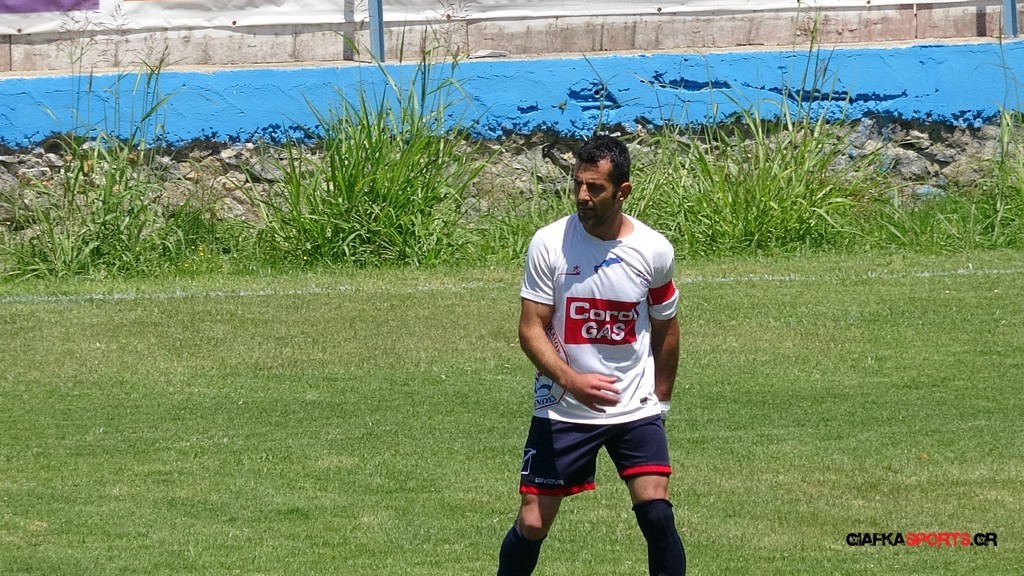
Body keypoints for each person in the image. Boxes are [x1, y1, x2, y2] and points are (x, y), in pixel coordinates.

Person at [497, 135, 686, 576]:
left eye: (595, 187)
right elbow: (530, 328)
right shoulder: (549, 243)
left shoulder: (654, 250)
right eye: (577, 184)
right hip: (563, 406)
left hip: (633, 405)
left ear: (623, 192)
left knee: (657, 513)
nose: (582, 195)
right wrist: (571, 381)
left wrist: (659, 403)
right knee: (533, 522)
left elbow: (666, 327)